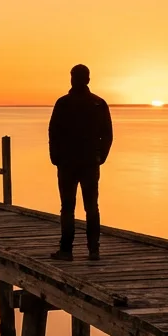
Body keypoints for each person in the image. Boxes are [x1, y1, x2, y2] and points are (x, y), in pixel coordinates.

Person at [48, 64, 113, 261]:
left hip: (69, 162)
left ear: (73, 79)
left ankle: (67, 250)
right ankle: (93, 250)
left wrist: (55, 156)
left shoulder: (65, 103)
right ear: (88, 80)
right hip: (86, 162)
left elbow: (53, 132)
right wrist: (100, 156)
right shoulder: (98, 103)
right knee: (91, 206)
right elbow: (108, 135)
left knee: (68, 206)